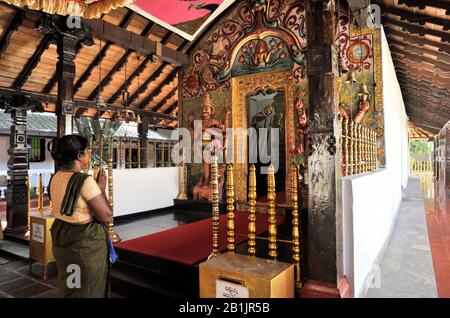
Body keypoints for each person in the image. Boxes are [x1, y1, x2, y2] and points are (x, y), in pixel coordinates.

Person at [48, 134, 113, 298]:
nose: (89, 154)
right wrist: (102, 189)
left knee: (71, 285)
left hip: (63, 239)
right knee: (88, 289)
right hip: (84, 245)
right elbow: (106, 216)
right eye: (87, 151)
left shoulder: (55, 177)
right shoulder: (84, 180)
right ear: (79, 156)